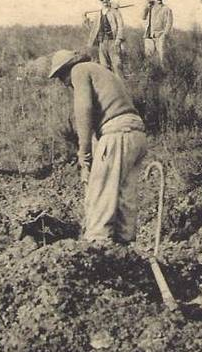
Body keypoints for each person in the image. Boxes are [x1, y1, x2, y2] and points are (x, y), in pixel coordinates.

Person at [48, 50, 147, 244]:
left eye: (61, 77)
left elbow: (83, 111)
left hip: (116, 134)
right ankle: (125, 250)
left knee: (101, 196)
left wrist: (83, 154)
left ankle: (96, 248)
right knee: (124, 198)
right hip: (135, 133)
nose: (63, 83)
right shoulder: (99, 70)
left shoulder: (79, 71)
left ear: (66, 69)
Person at [86, 0, 125, 78]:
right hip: (102, 42)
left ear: (109, 1)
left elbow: (120, 26)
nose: (105, 2)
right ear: (101, 2)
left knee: (117, 64)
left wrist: (118, 39)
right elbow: (93, 28)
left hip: (113, 41)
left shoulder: (115, 12)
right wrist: (85, 19)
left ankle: (121, 84)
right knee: (104, 66)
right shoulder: (99, 14)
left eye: (106, 0)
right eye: (103, 1)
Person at [141, 0, 173, 64]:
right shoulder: (150, 8)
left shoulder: (166, 9)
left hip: (160, 35)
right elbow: (143, 17)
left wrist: (165, 34)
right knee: (148, 56)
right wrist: (146, 7)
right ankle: (150, 72)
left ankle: (163, 72)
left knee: (162, 57)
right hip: (149, 35)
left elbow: (169, 23)